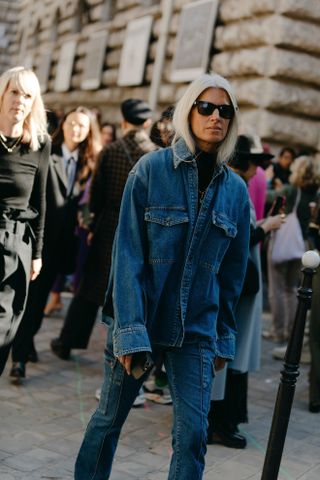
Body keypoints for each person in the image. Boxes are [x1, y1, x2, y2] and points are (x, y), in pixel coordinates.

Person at [74, 72, 250, 480]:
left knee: (193, 435)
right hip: (141, 319)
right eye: (206, 107)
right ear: (189, 111)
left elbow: (233, 275)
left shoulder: (236, 192)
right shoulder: (150, 171)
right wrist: (130, 331)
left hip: (198, 330)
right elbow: (128, 255)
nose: (215, 117)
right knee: (107, 422)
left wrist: (224, 336)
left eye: (225, 111)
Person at [50, 99, 155, 361]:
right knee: (129, 292)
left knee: (90, 288)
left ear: (123, 122)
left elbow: (96, 196)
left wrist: (94, 224)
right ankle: (125, 351)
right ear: (147, 124)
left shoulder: (111, 151)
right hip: (140, 233)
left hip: (108, 228)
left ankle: (67, 341)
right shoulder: (155, 156)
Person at [9, 106, 101, 380]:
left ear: (88, 132)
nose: (76, 129)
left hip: (62, 245)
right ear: (64, 125)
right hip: (38, 239)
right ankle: (19, 359)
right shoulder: (49, 152)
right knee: (31, 299)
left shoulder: (88, 163)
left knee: (38, 302)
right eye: (72, 123)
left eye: (82, 126)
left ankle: (26, 342)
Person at [208, 134, 284, 449]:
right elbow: (232, 239)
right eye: (255, 163)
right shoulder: (229, 187)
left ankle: (224, 422)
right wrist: (263, 228)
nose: (258, 170)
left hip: (238, 291)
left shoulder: (231, 184)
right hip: (231, 293)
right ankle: (218, 424)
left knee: (232, 360)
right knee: (227, 359)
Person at [0, 66, 50, 375]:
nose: (20, 100)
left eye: (27, 95)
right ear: (2, 94)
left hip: (17, 242)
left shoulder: (40, 143)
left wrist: (38, 253)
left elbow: (39, 200)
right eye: (14, 91)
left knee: (6, 325)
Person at [264, 156, 320, 345]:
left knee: (276, 288)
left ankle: (277, 331)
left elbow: (268, 196)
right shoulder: (315, 194)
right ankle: (290, 331)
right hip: (303, 246)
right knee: (292, 289)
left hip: (283, 242)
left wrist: (267, 180)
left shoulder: (290, 190)